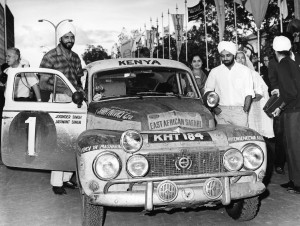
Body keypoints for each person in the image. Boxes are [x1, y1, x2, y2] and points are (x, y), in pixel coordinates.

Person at [39, 22, 83, 195]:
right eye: (67, 37)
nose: (70, 40)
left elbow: (79, 80)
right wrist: (64, 89)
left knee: (75, 139)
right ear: (60, 38)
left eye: (72, 37)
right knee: (61, 140)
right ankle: (56, 182)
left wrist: (81, 92)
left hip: (76, 100)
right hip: (59, 100)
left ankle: (66, 178)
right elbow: (43, 82)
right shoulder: (50, 56)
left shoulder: (75, 57)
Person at [272, 36, 300, 194]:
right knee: (291, 147)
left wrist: (280, 107)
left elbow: (290, 93)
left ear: (275, 51)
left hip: (293, 111)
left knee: (294, 148)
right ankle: (294, 179)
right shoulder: (291, 63)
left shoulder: (282, 65)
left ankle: (298, 184)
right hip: (295, 109)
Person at [204, 41, 254, 127]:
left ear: (233, 55)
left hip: (239, 112)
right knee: (223, 139)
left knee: (241, 138)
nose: (225, 58)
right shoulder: (215, 72)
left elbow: (249, 93)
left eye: (228, 55)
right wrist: (214, 108)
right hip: (221, 112)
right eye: (222, 56)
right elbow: (208, 92)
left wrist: (245, 110)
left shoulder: (245, 71)